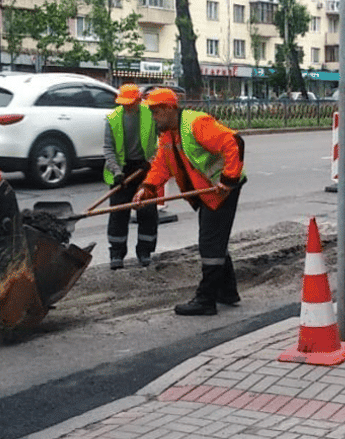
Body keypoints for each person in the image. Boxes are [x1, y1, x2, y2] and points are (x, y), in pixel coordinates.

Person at [133, 87, 246, 316]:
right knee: (214, 240)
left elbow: (233, 142)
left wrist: (228, 180)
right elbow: (162, 166)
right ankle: (228, 292)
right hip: (206, 191)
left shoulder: (196, 124)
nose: (153, 118)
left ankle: (206, 300)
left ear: (168, 108)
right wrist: (148, 187)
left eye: (155, 113)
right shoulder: (168, 134)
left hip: (221, 190)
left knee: (210, 244)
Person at [102, 84, 159, 270]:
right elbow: (109, 148)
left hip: (145, 169)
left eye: (130, 103)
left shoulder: (149, 114)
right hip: (122, 170)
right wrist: (117, 172)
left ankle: (145, 252)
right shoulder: (113, 118)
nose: (127, 107)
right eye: (124, 103)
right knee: (118, 213)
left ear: (138, 100)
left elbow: (162, 139)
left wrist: (151, 160)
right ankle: (116, 254)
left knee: (147, 212)